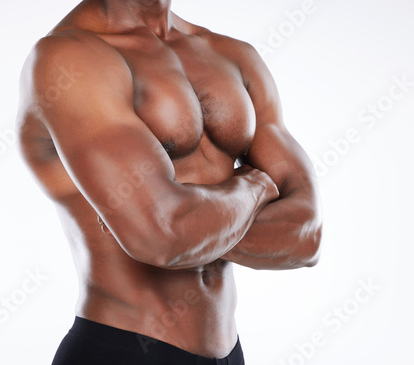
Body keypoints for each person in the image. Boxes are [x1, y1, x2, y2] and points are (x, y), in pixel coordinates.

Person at [16, 0, 323, 364]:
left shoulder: (234, 55)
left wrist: (184, 226)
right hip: (123, 349)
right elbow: (162, 234)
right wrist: (255, 186)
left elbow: (307, 235)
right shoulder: (70, 58)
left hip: (228, 350)